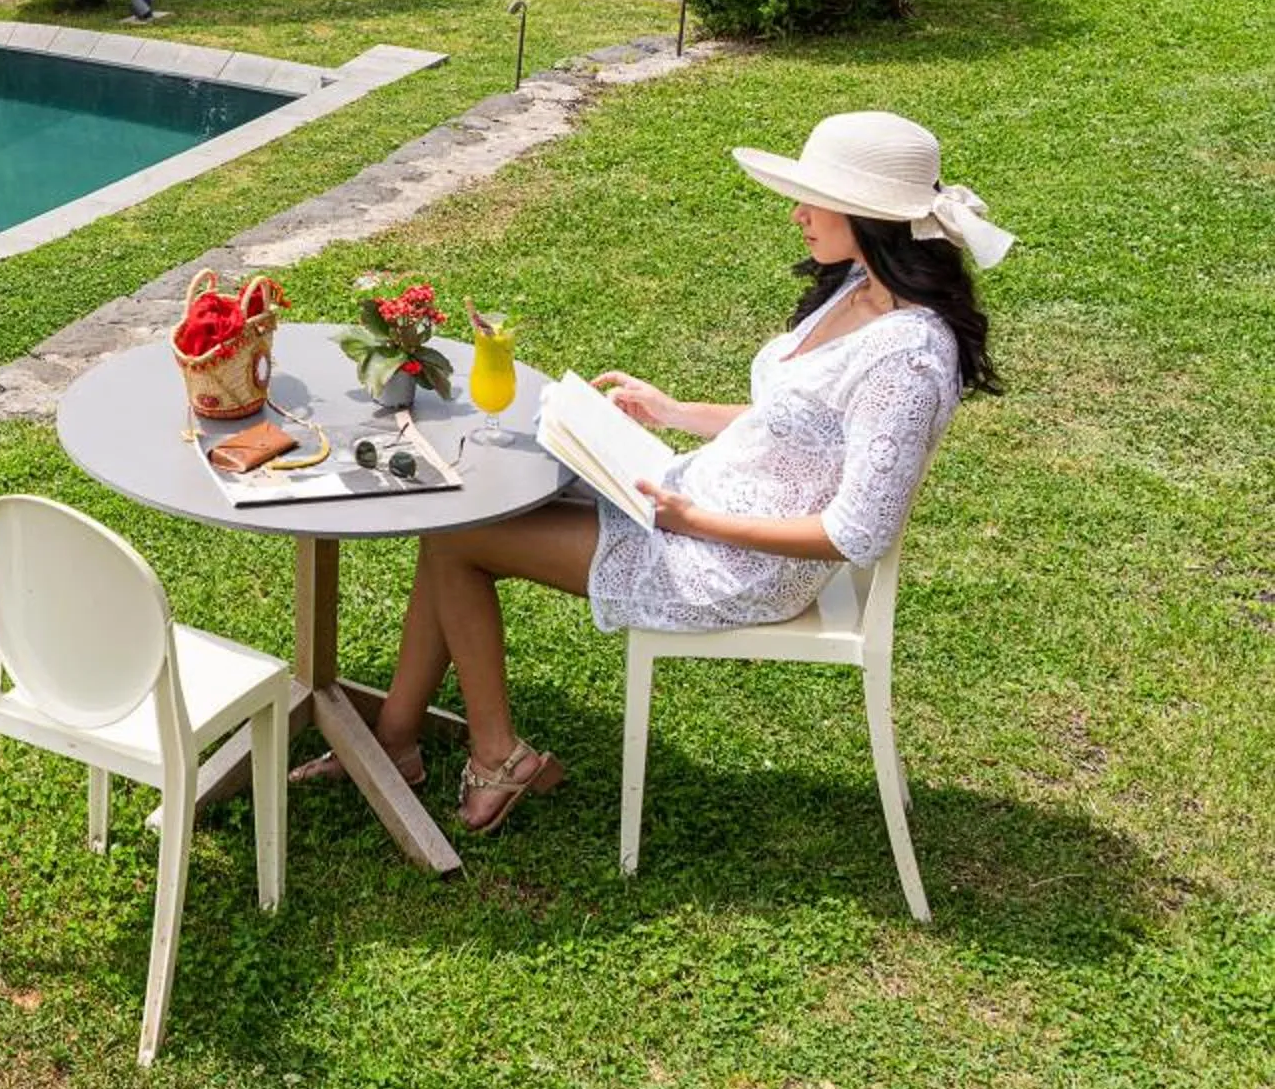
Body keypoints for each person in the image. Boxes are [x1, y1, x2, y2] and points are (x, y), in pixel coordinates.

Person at [297, 111, 1012, 832]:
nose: (796, 213)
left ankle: (493, 757)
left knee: (457, 539)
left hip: (735, 561)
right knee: (470, 510)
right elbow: (794, 424)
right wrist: (674, 410)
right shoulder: (855, 287)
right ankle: (396, 742)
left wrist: (691, 520)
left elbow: (854, 532)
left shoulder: (907, 360)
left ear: (871, 217)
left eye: (813, 198)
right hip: (695, 502)